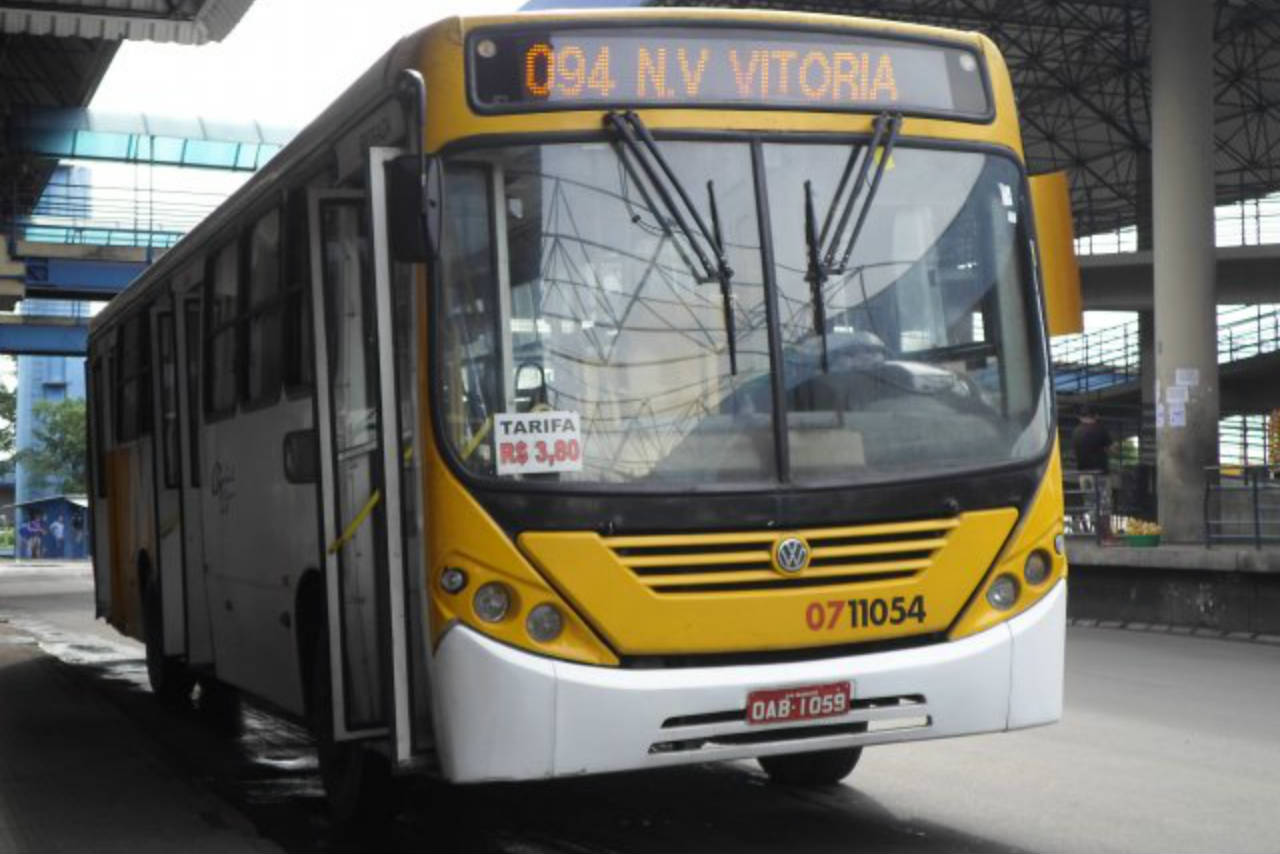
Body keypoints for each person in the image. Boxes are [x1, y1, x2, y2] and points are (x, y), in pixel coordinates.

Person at [1072, 406, 1114, 538]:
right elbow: (1111, 449)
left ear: (1080, 417)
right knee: (1104, 504)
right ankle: (1106, 535)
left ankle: (1097, 535)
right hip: (1100, 473)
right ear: (1095, 416)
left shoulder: (1076, 432)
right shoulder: (1100, 429)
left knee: (1091, 504)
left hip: (1083, 474)